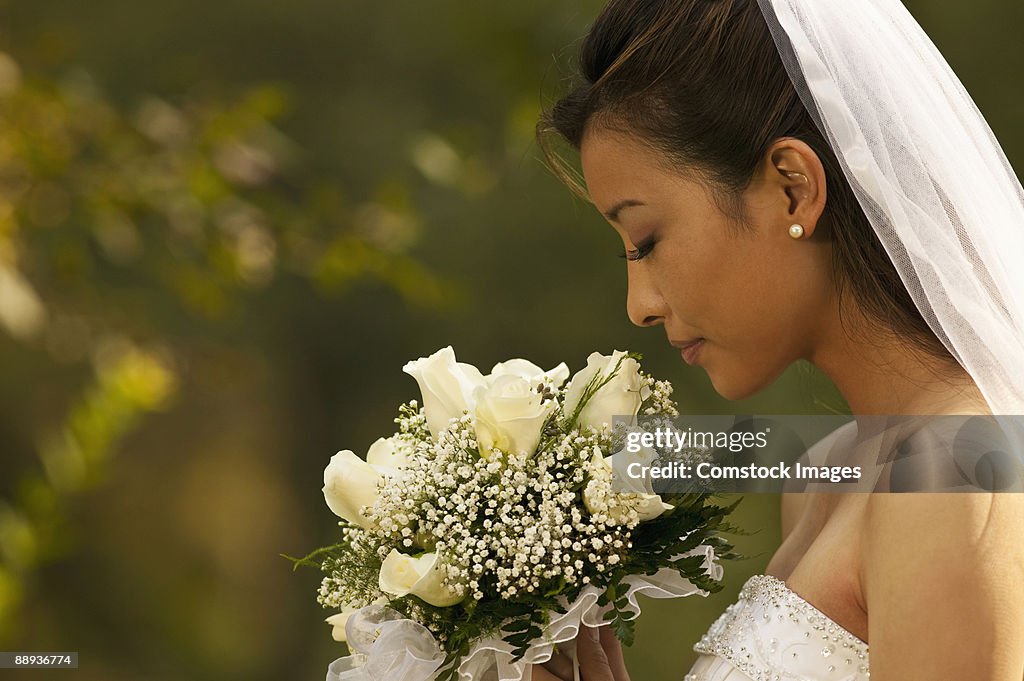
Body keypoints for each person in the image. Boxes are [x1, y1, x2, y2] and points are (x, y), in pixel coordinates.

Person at [531, 0, 1024, 679]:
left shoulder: (955, 478)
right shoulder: (826, 473)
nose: (639, 305)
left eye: (647, 240)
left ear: (793, 188)